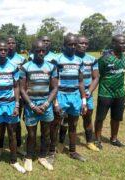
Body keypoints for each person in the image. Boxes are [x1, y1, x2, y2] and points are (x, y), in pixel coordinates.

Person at [0, 40, 26, 175]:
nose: (3, 52)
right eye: (0, 50)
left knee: (12, 134)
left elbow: (16, 86)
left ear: (8, 51)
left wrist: (17, 105)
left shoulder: (13, 66)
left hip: (10, 105)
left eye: (5, 50)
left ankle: (14, 161)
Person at [20, 39, 58, 171]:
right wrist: (31, 105)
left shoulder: (51, 67)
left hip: (46, 105)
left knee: (46, 133)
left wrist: (47, 104)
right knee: (31, 134)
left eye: (43, 50)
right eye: (38, 50)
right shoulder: (26, 67)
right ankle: (29, 157)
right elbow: (22, 89)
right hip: (31, 106)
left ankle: (42, 156)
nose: (41, 53)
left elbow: (54, 88)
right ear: (33, 51)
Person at [49, 34, 87, 162]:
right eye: (70, 44)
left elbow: (81, 81)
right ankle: (51, 151)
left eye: (75, 44)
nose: (73, 47)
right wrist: (55, 102)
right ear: (64, 46)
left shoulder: (79, 61)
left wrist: (84, 101)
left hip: (75, 96)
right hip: (61, 95)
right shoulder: (57, 60)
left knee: (73, 124)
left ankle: (72, 151)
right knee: (55, 124)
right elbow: (52, 83)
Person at [58, 35, 100, 152]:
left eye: (86, 43)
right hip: (71, 92)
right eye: (81, 43)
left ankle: (89, 141)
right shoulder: (69, 58)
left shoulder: (92, 59)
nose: (83, 45)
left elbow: (96, 77)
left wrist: (89, 92)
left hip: (86, 93)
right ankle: (60, 142)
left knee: (88, 117)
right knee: (66, 118)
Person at [94, 35, 125, 149]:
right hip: (105, 93)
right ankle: (97, 140)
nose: (124, 45)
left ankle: (114, 139)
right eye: (121, 43)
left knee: (117, 118)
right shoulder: (104, 59)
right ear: (114, 44)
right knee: (100, 118)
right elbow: (99, 74)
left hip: (120, 94)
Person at [0, 36, 26, 156]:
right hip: (3, 96)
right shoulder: (0, 59)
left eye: (13, 43)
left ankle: (18, 146)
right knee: (2, 124)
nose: (10, 45)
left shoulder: (22, 59)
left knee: (16, 122)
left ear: (16, 44)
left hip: (17, 95)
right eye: (8, 43)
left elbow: (26, 77)